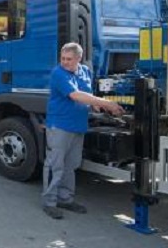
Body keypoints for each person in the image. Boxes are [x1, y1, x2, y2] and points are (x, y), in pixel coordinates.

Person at [42, 42, 125, 219]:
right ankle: (49, 202)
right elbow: (75, 95)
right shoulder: (58, 73)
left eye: (69, 59)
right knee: (55, 165)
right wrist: (107, 104)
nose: (64, 62)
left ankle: (65, 199)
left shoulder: (85, 71)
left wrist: (97, 106)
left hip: (78, 125)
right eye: (62, 58)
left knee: (71, 165)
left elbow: (88, 94)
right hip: (60, 125)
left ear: (78, 58)